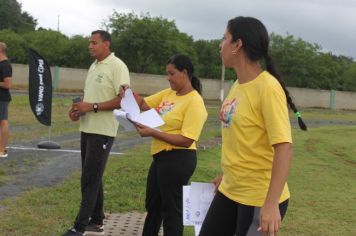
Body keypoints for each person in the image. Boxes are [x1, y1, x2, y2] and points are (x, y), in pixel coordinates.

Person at [199, 17, 307, 236]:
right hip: (231, 189)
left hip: (259, 197)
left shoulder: (267, 88)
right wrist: (226, 174)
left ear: (237, 45)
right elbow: (242, 139)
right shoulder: (238, 86)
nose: (220, 45)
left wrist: (271, 204)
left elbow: (284, 148)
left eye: (224, 38)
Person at [129, 54, 208, 236]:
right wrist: (129, 95)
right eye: (167, 74)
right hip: (160, 157)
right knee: (153, 205)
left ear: (184, 73)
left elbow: (188, 140)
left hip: (178, 159)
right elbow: (144, 104)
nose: (168, 78)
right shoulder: (169, 94)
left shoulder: (195, 102)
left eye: (172, 74)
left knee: (171, 210)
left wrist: (153, 132)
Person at [64, 30, 130, 236]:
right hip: (87, 128)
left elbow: (123, 100)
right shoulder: (93, 66)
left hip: (102, 131)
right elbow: (88, 97)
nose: (90, 46)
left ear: (106, 44)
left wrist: (90, 107)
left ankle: (79, 227)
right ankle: (97, 220)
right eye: (89, 43)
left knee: (89, 179)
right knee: (93, 175)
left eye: (94, 43)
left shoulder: (117, 66)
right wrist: (77, 110)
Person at [0, 42, 12, 158]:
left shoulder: (5, 65)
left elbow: (8, 84)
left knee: (3, 121)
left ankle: (2, 149)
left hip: (2, 98)